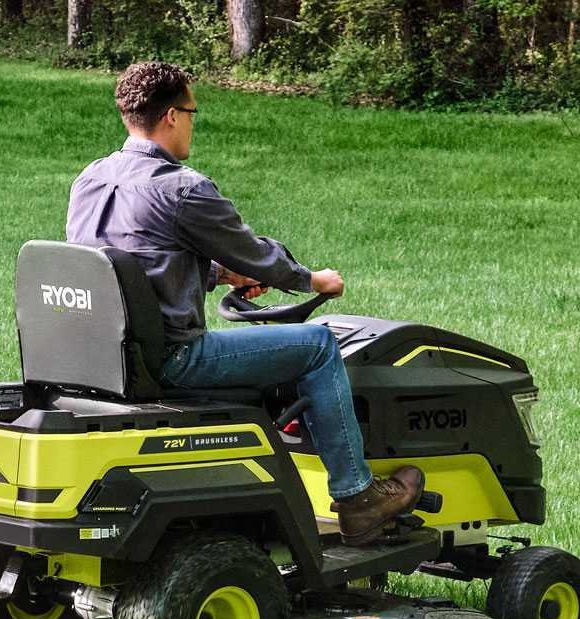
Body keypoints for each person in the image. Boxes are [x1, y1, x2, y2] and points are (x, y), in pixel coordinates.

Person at [65, 61, 423, 546]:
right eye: (192, 112)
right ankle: (358, 498)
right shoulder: (182, 188)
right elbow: (254, 254)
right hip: (173, 358)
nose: (192, 123)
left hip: (105, 359)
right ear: (172, 116)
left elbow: (129, 267)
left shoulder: (91, 179)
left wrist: (217, 275)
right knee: (319, 347)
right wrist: (312, 280)